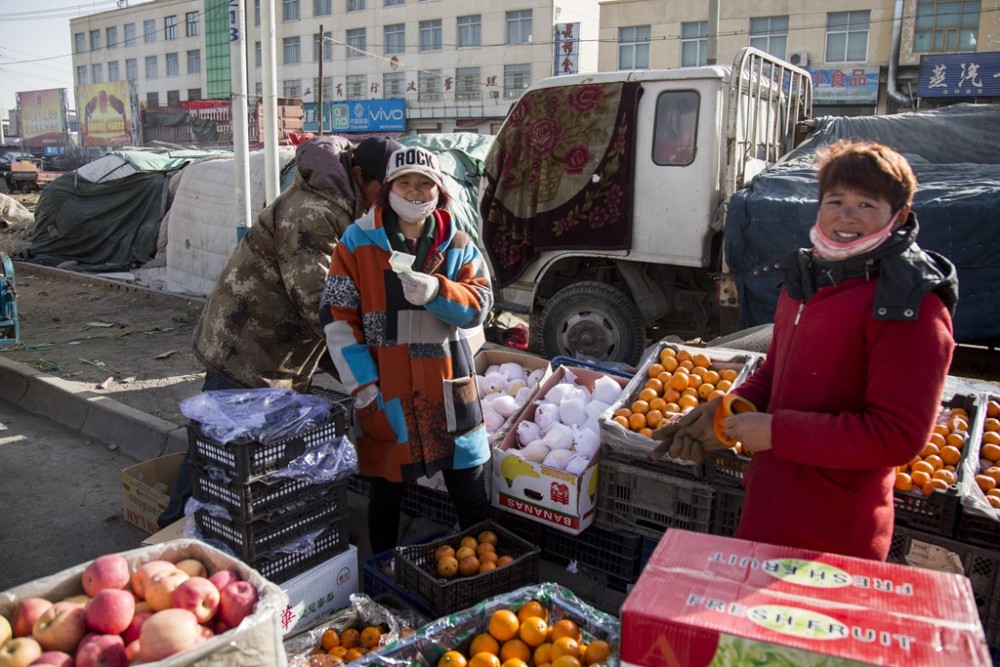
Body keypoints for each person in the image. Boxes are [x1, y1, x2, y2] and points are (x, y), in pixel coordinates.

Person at [652, 139, 957, 560]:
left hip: (835, 531)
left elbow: (897, 435)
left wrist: (777, 433)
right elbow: (774, 375)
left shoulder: (912, 305)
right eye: (835, 200)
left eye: (866, 205)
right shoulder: (808, 280)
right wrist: (728, 413)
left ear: (899, 216)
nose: (846, 216)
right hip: (769, 506)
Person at [157, 135, 401, 529]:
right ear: (358, 176)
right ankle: (168, 532)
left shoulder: (349, 213)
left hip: (280, 351)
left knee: (244, 452)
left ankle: (223, 530)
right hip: (246, 345)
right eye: (384, 189)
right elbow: (319, 302)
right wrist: (371, 365)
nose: (388, 201)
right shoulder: (313, 212)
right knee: (215, 448)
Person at [320, 145, 493, 554]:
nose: (415, 192)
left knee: (469, 489)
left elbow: (481, 304)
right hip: (387, 389)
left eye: (425, 184)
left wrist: (439, 290)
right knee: (387, 491)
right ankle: (383, 576)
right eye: (405, 182)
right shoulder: (358, 241)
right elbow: (338, 318)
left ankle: (490, 575)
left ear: (439, 190)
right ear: (388, 189)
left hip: (448, 387)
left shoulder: (458, 242)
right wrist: (364, 388)